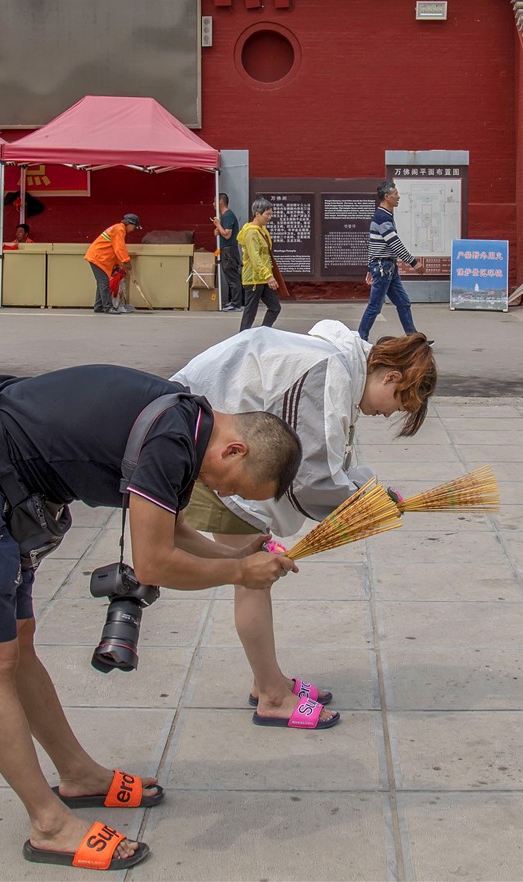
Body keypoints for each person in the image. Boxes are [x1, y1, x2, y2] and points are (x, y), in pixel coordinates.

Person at [0, 365, 302, 871]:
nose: (224, 493)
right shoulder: (174, 441)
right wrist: (239, 574)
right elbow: (153, 563)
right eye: (236, 487)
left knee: (19, 644)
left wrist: (233, 555)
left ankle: (77, 774)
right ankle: (48, 824)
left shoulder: (189, 422)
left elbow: (172, 529)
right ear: (235, 450)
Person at [173, 324, 436, 730]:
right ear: (390, 375)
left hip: (211, 445)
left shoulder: (336, 364)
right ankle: (273, 697)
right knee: (251, 578)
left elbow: (322, 459)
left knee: (253, 576)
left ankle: (268, 681)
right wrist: (369, 504)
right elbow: (310, 478)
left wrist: (370, 492)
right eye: (397, 403)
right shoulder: (328, 369)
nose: (387, 413)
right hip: (211, 460)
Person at [357, 180, 419, 340]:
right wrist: (413, 262)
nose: (398, 197)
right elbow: (394, 242)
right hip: (383, 266)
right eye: (396, 194)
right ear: (387, 196)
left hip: (388, 266)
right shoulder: (382, 217)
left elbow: (374, 245)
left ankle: (413, 338)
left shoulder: (385, 216)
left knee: (403, 303)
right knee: (375, 306)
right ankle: (360, 338)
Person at [237, 199, 285, 332]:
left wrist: (268, 276)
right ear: (257, 214)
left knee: (275, 307)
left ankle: (263, 333)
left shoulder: (262, 230)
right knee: (250, 312)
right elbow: (255, 257)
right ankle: (242, 339)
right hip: (253, 278)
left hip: (263, 278)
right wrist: (269, 276)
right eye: (267, 214)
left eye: (271, 214)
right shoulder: (251, 232)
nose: (269, 218)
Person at [86, 213, 141, 316]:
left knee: (102, 283)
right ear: (130, 223)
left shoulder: (117, 228)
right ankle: (108, 307)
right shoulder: (119, 230)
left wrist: (117, 264)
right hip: (98, 258)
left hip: (99, 258)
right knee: (104, 283)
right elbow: (119, 248)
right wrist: (126, 261)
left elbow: (114, 249)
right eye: (134, 227)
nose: (133, 230)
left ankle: (99, 307)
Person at [211, 193, 242, 311]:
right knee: (229, 276)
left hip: (229, 250)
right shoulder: (225, 216)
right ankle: (234, 302)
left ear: (221, 202)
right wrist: (218, 229)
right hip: (226, 250)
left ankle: (236, 304)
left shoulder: (228, 216)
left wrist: (218, 224)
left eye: (214, 201)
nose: (213, 204)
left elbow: (227, 234)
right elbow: (224, 232)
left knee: (232, 277)